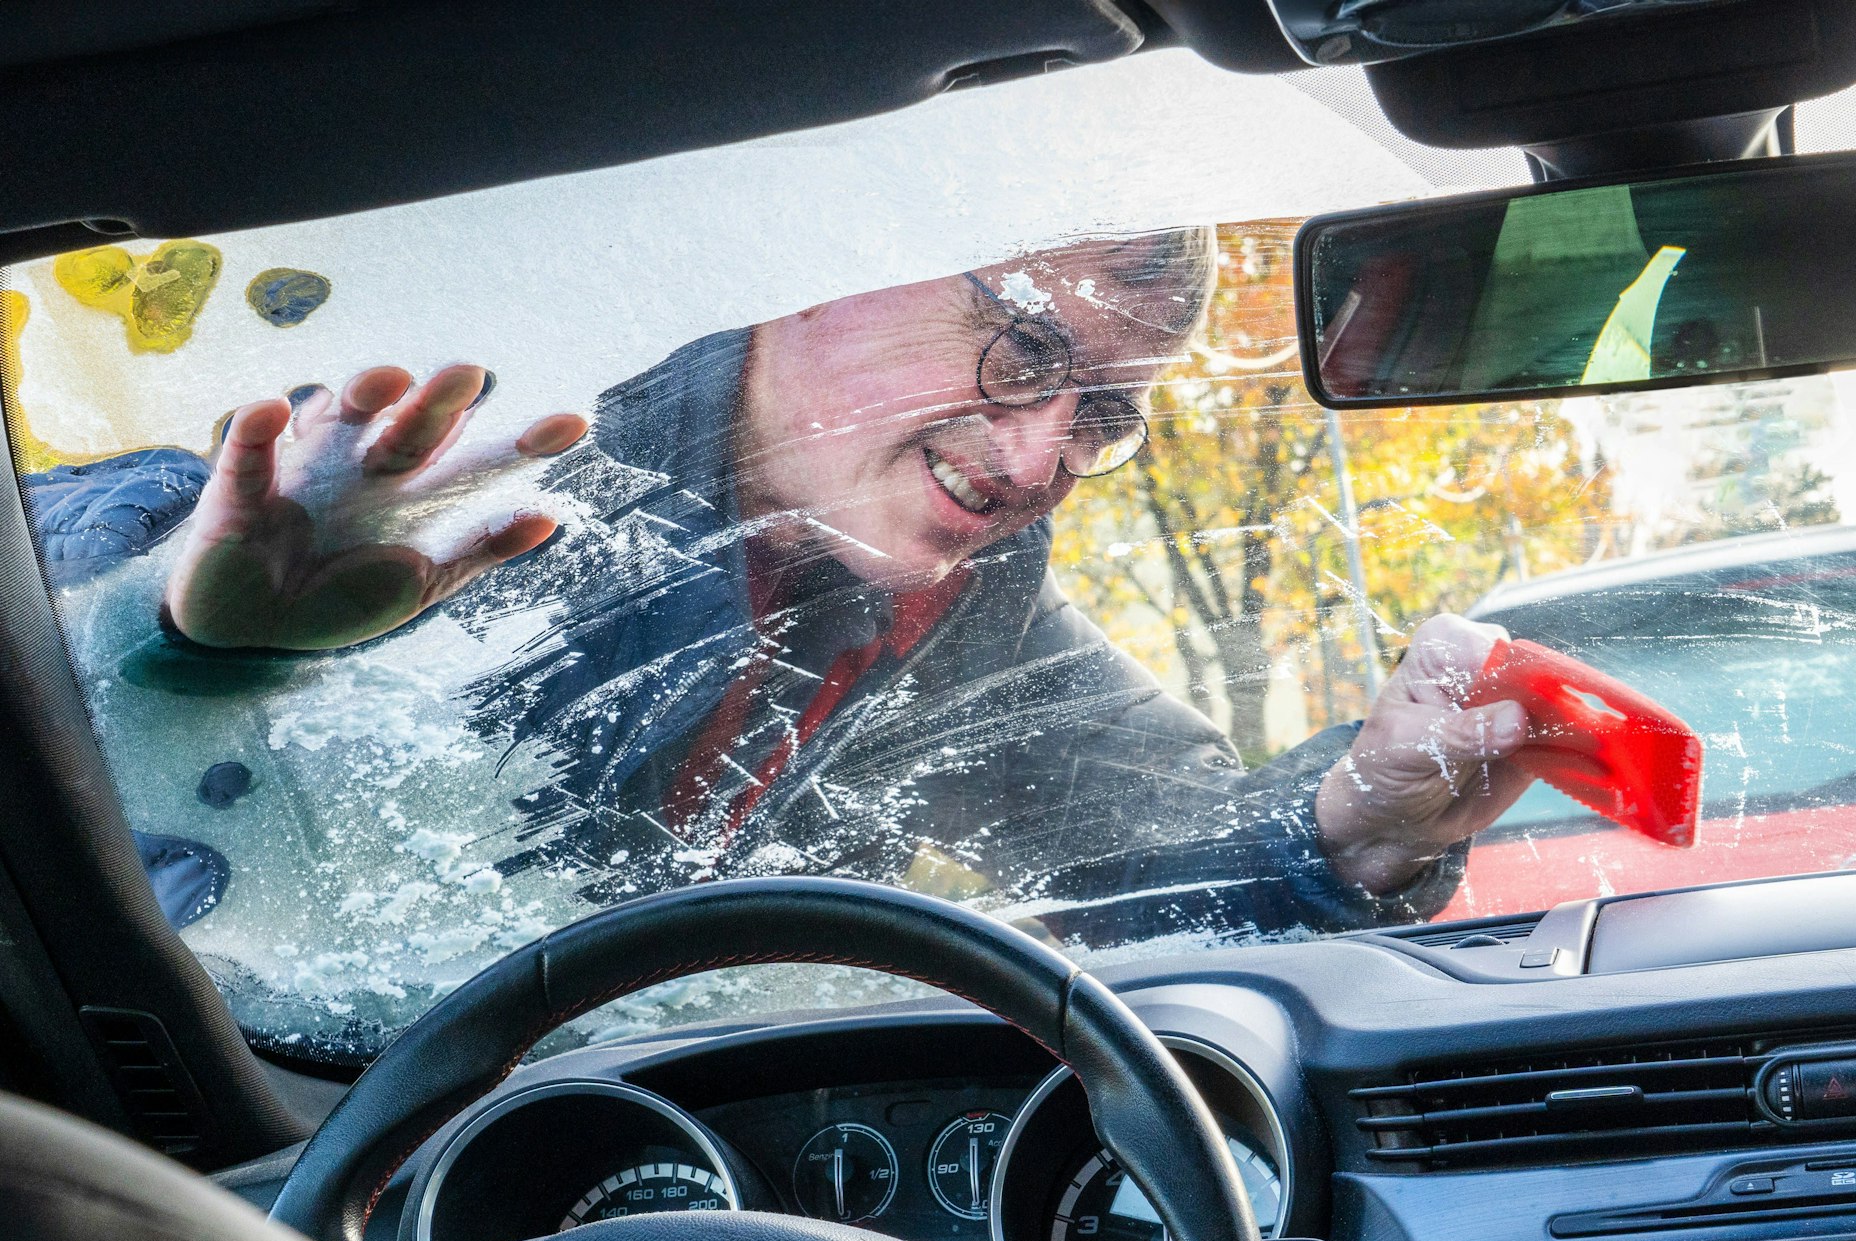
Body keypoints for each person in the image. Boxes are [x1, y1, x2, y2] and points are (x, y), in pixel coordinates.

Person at [27, 228, 1536, 943]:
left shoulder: (968, 610)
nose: (1036, 457)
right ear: (835, 255)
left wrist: (1357, 826)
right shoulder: (496, 435)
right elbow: (109, 527)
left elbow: (1146, 847)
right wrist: (176, 623)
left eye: (1102, 414)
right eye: (1023, 349)